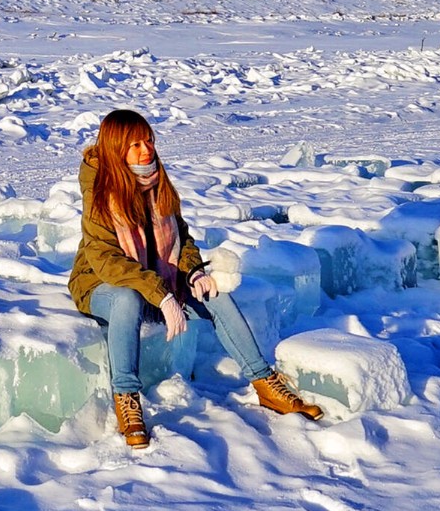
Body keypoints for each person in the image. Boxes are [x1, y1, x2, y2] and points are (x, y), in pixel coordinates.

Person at [70, 108, 322, 448]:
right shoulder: (98, 191)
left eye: (149, 141)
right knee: (128, 298)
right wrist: (160, 294)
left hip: (160, 278)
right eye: (135, 145)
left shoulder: (157, 181)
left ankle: (265, 384)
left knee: (214, 295)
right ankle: (127, 400)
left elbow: (182, 238)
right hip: (102, 285)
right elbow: (106, 261)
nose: (146, 151)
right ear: (116, 149)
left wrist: (193, 272)